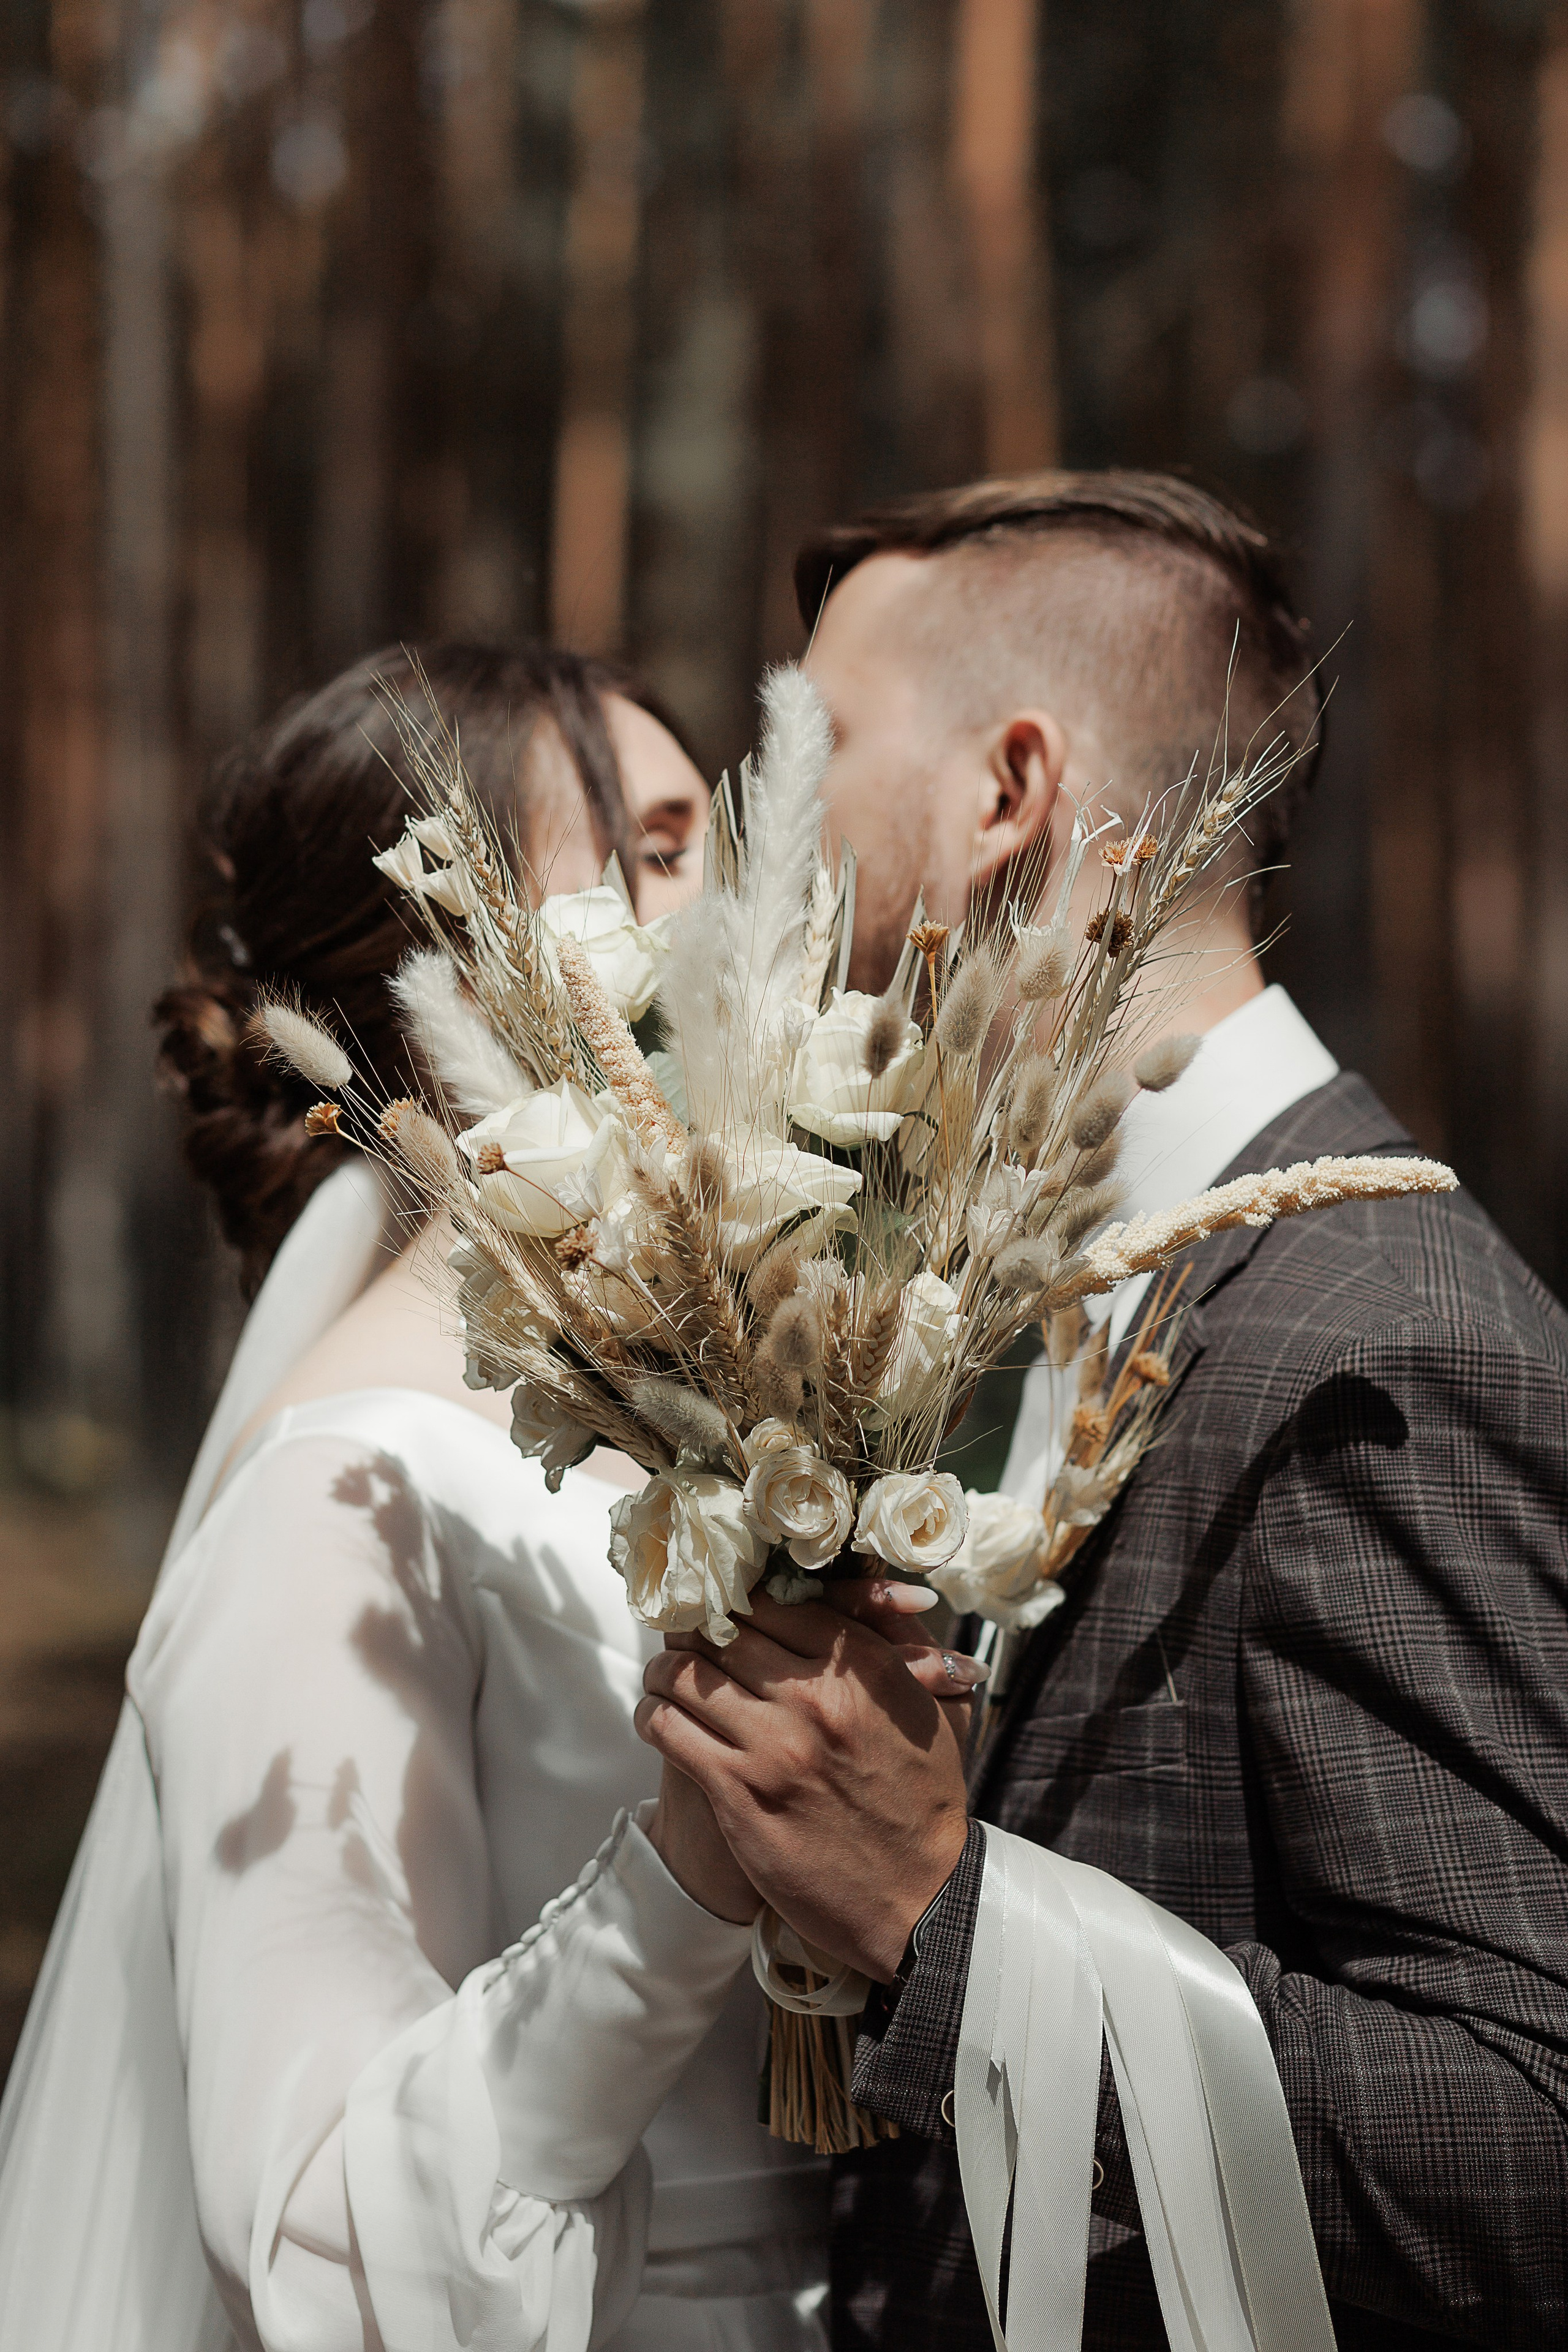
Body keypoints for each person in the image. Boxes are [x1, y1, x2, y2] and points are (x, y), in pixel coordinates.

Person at [633, 473, 1568, 2350]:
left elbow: (1525, 2146)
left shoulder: (1384, 1328)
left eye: (820, 749)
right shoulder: (1074, 1287)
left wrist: (940, 1913)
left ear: (1010, 791)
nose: (770, 841)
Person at [0, 639, 947, 2352]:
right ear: (461, 945)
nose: (738, 894)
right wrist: (688, 1873)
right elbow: (319, 2239)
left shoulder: (678, 1435)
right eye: (663, 847)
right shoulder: (341, 1503)